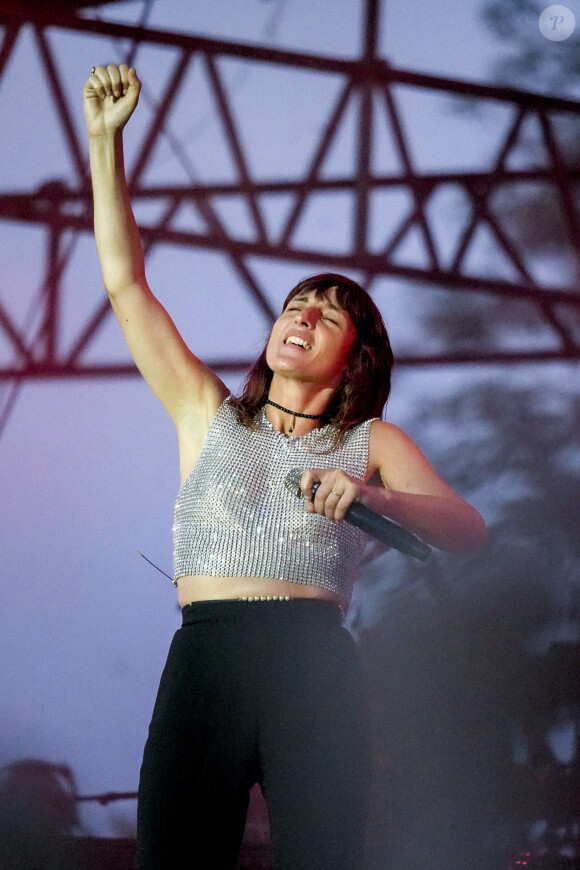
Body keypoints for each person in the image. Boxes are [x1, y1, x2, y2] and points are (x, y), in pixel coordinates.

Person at [83, 64, 487, 870]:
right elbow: (126, 284)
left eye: (327, 312)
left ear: (354, 354)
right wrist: (104, 143)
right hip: (208, 652)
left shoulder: (372, 440)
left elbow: (470, 531)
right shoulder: (209, 411)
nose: (302, 314)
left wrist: (379, 498)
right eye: (295, 302)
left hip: (314, 658)